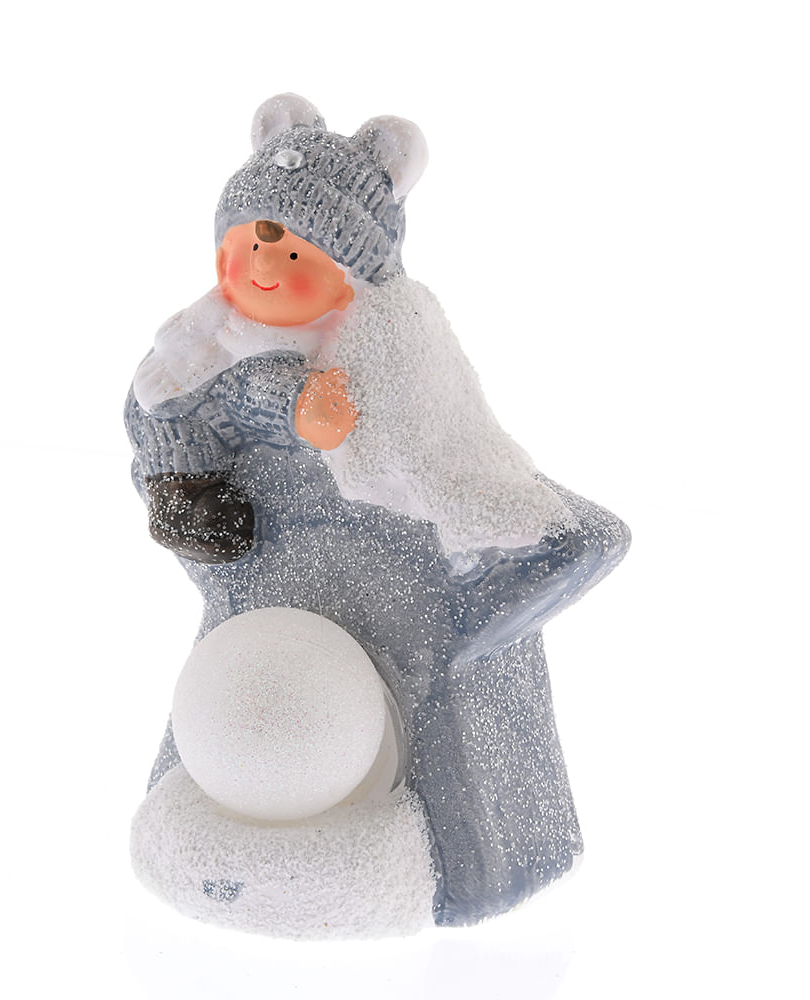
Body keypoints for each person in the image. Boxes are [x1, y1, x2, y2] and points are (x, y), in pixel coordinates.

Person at [125, 94, 630, 932]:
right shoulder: (193, 364)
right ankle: (219, 838)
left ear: (349, 270)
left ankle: (452, 870)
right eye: (245, 244)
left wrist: (490, 579)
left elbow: (575, 538)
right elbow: (171, 434)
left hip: (405, 649)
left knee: (449, 731)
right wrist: (198, 496)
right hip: (254, 629)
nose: (261, 265)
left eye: (291, 250)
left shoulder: (399, 393)